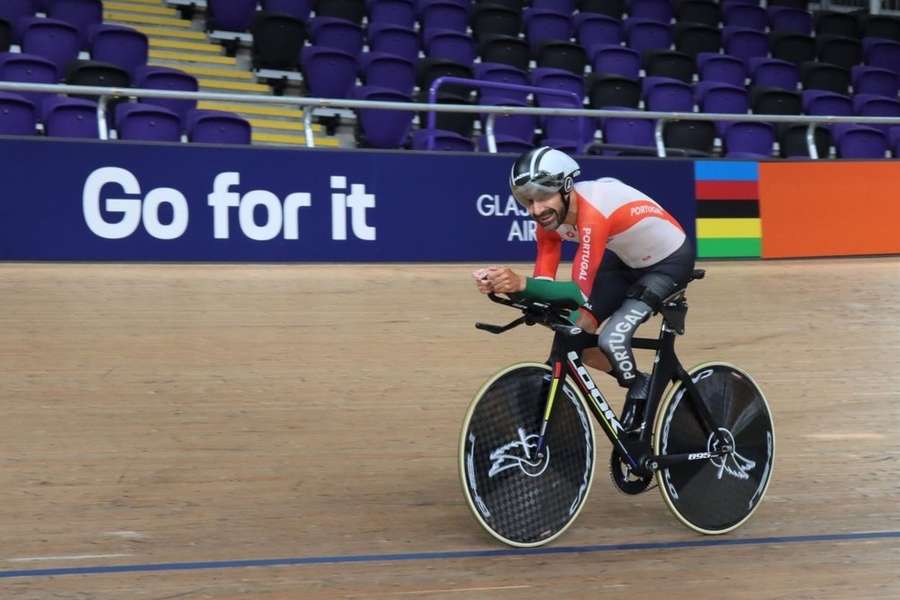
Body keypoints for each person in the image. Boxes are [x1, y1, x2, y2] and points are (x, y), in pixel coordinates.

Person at [473, 146, 695, 430]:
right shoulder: (548, 222)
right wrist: (507, 286)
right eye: (527, 201)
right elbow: (544, 287)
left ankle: (644, 394)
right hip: (623, 260)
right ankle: (640, 381)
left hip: (668, 263)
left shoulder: (593, 213)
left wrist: (519, 283)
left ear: (567, 187)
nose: (536, 210)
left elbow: (579, 292)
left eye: (543, 197)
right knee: (576, 332)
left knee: (612, 338)